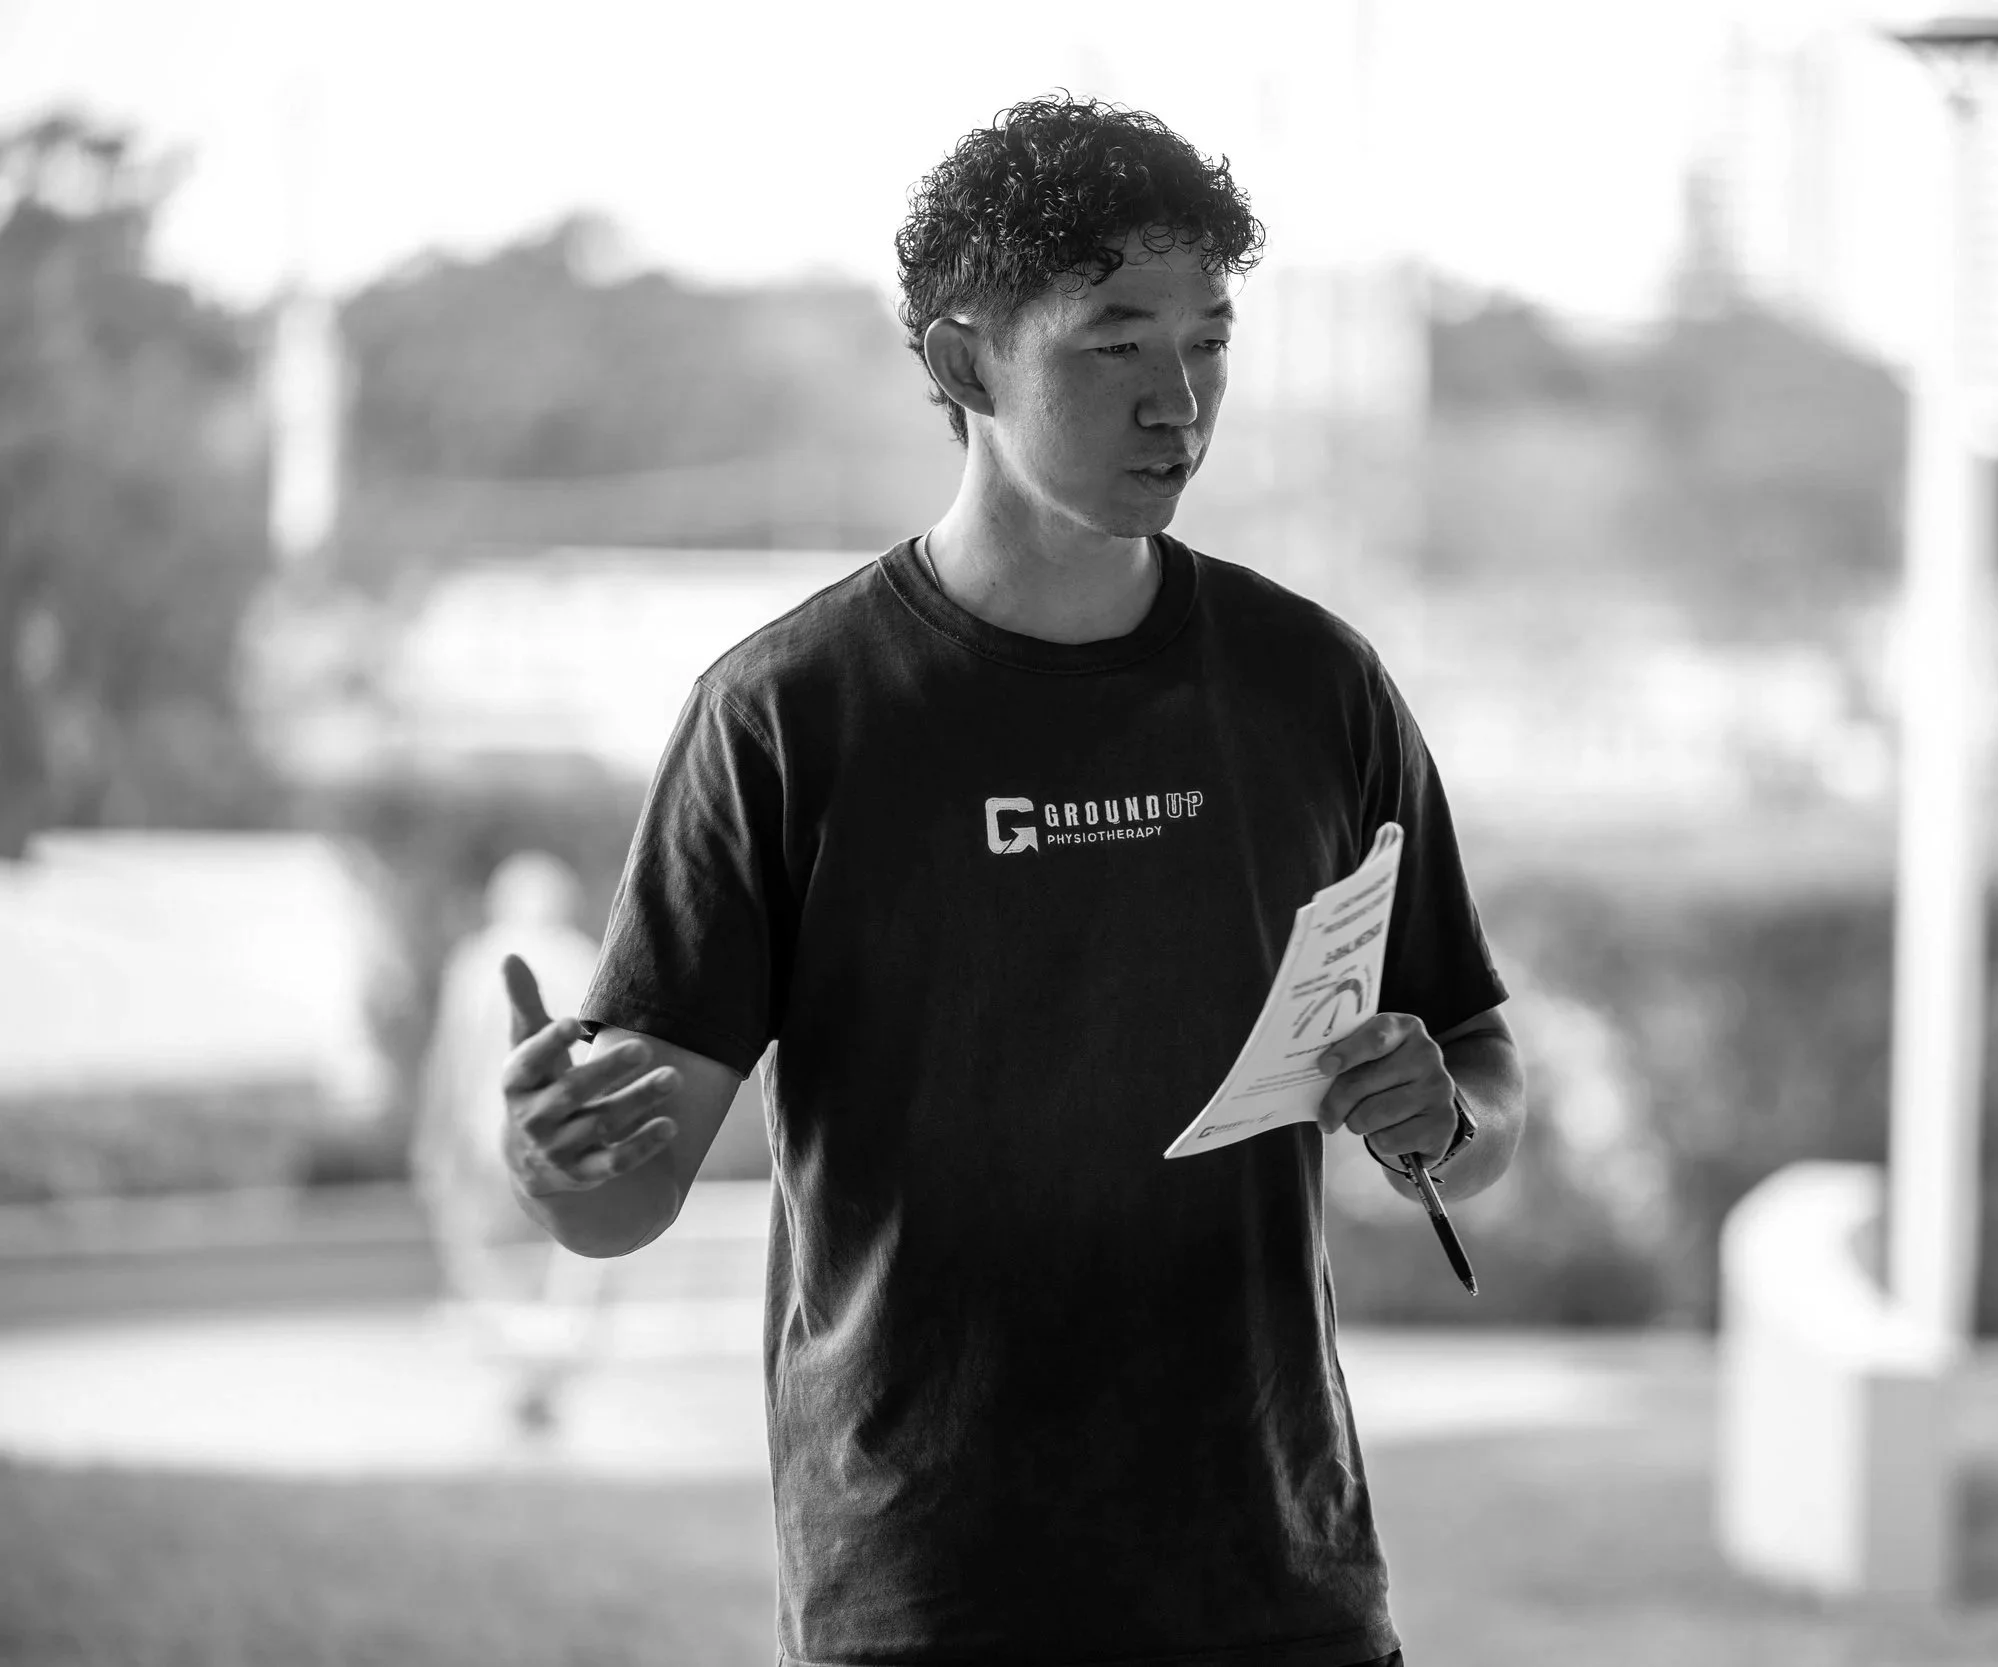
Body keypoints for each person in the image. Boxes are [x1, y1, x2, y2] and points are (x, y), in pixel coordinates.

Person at [497, 93, 1524, 1667]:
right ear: (965, 360)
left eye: (1210, 341)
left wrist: (1442, 1116)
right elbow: (624, 1194)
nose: (1179, 401)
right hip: (926, 1587)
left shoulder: (1315, 686)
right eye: (1114, 344)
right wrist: (560, 1162)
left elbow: (1478, 1073)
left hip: (1278, 1581)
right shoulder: (788, 713)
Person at [414, 849, 613, 1432]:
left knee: (493, 1261)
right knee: (566, 1266)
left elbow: (449, 1061)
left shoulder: (477, 962)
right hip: (569, 1138)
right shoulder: (585, 960)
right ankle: (542, 1379)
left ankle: (525, 1378)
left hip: (492, 1136)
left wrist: (434, 1140)